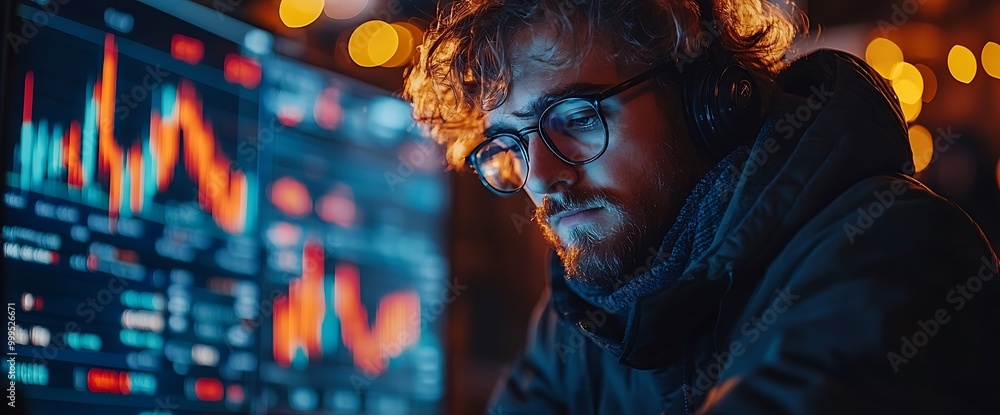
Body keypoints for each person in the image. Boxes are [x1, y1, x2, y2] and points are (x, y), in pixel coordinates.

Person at [402, 0, 1000, 413]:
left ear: (706, 103)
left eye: (578, 118)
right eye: (511, 145)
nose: (541, 177)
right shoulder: (580, 318)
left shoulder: (892, 249)